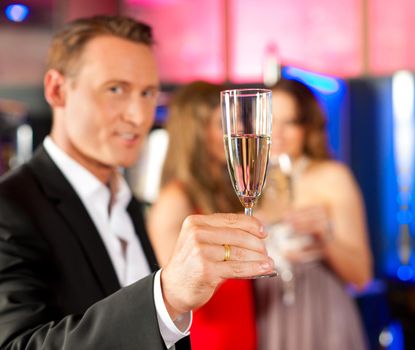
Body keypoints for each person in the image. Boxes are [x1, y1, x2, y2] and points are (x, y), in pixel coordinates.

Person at [0, 16, 274, 349]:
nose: (138, 116)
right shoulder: (11, 207)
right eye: (115, 89)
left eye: (147, 93)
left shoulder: (126, 202)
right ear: (57, 90)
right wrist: (167, 297)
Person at [255, 78, 372, 350]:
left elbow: (362, 276)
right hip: (264, 316)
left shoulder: (332, 177)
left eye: (291, 122)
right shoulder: (248, 182)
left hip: (319, 314)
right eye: (271, 121)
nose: (279, 133)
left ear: (307, 128)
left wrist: (325, 239)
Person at [147, 81, 257, 350]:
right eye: (223, 125)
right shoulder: (174, 199)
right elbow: (177, 288)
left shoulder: (225, 191)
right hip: (210, 337)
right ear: (195, 133)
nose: (236, 133)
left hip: (242, 328)